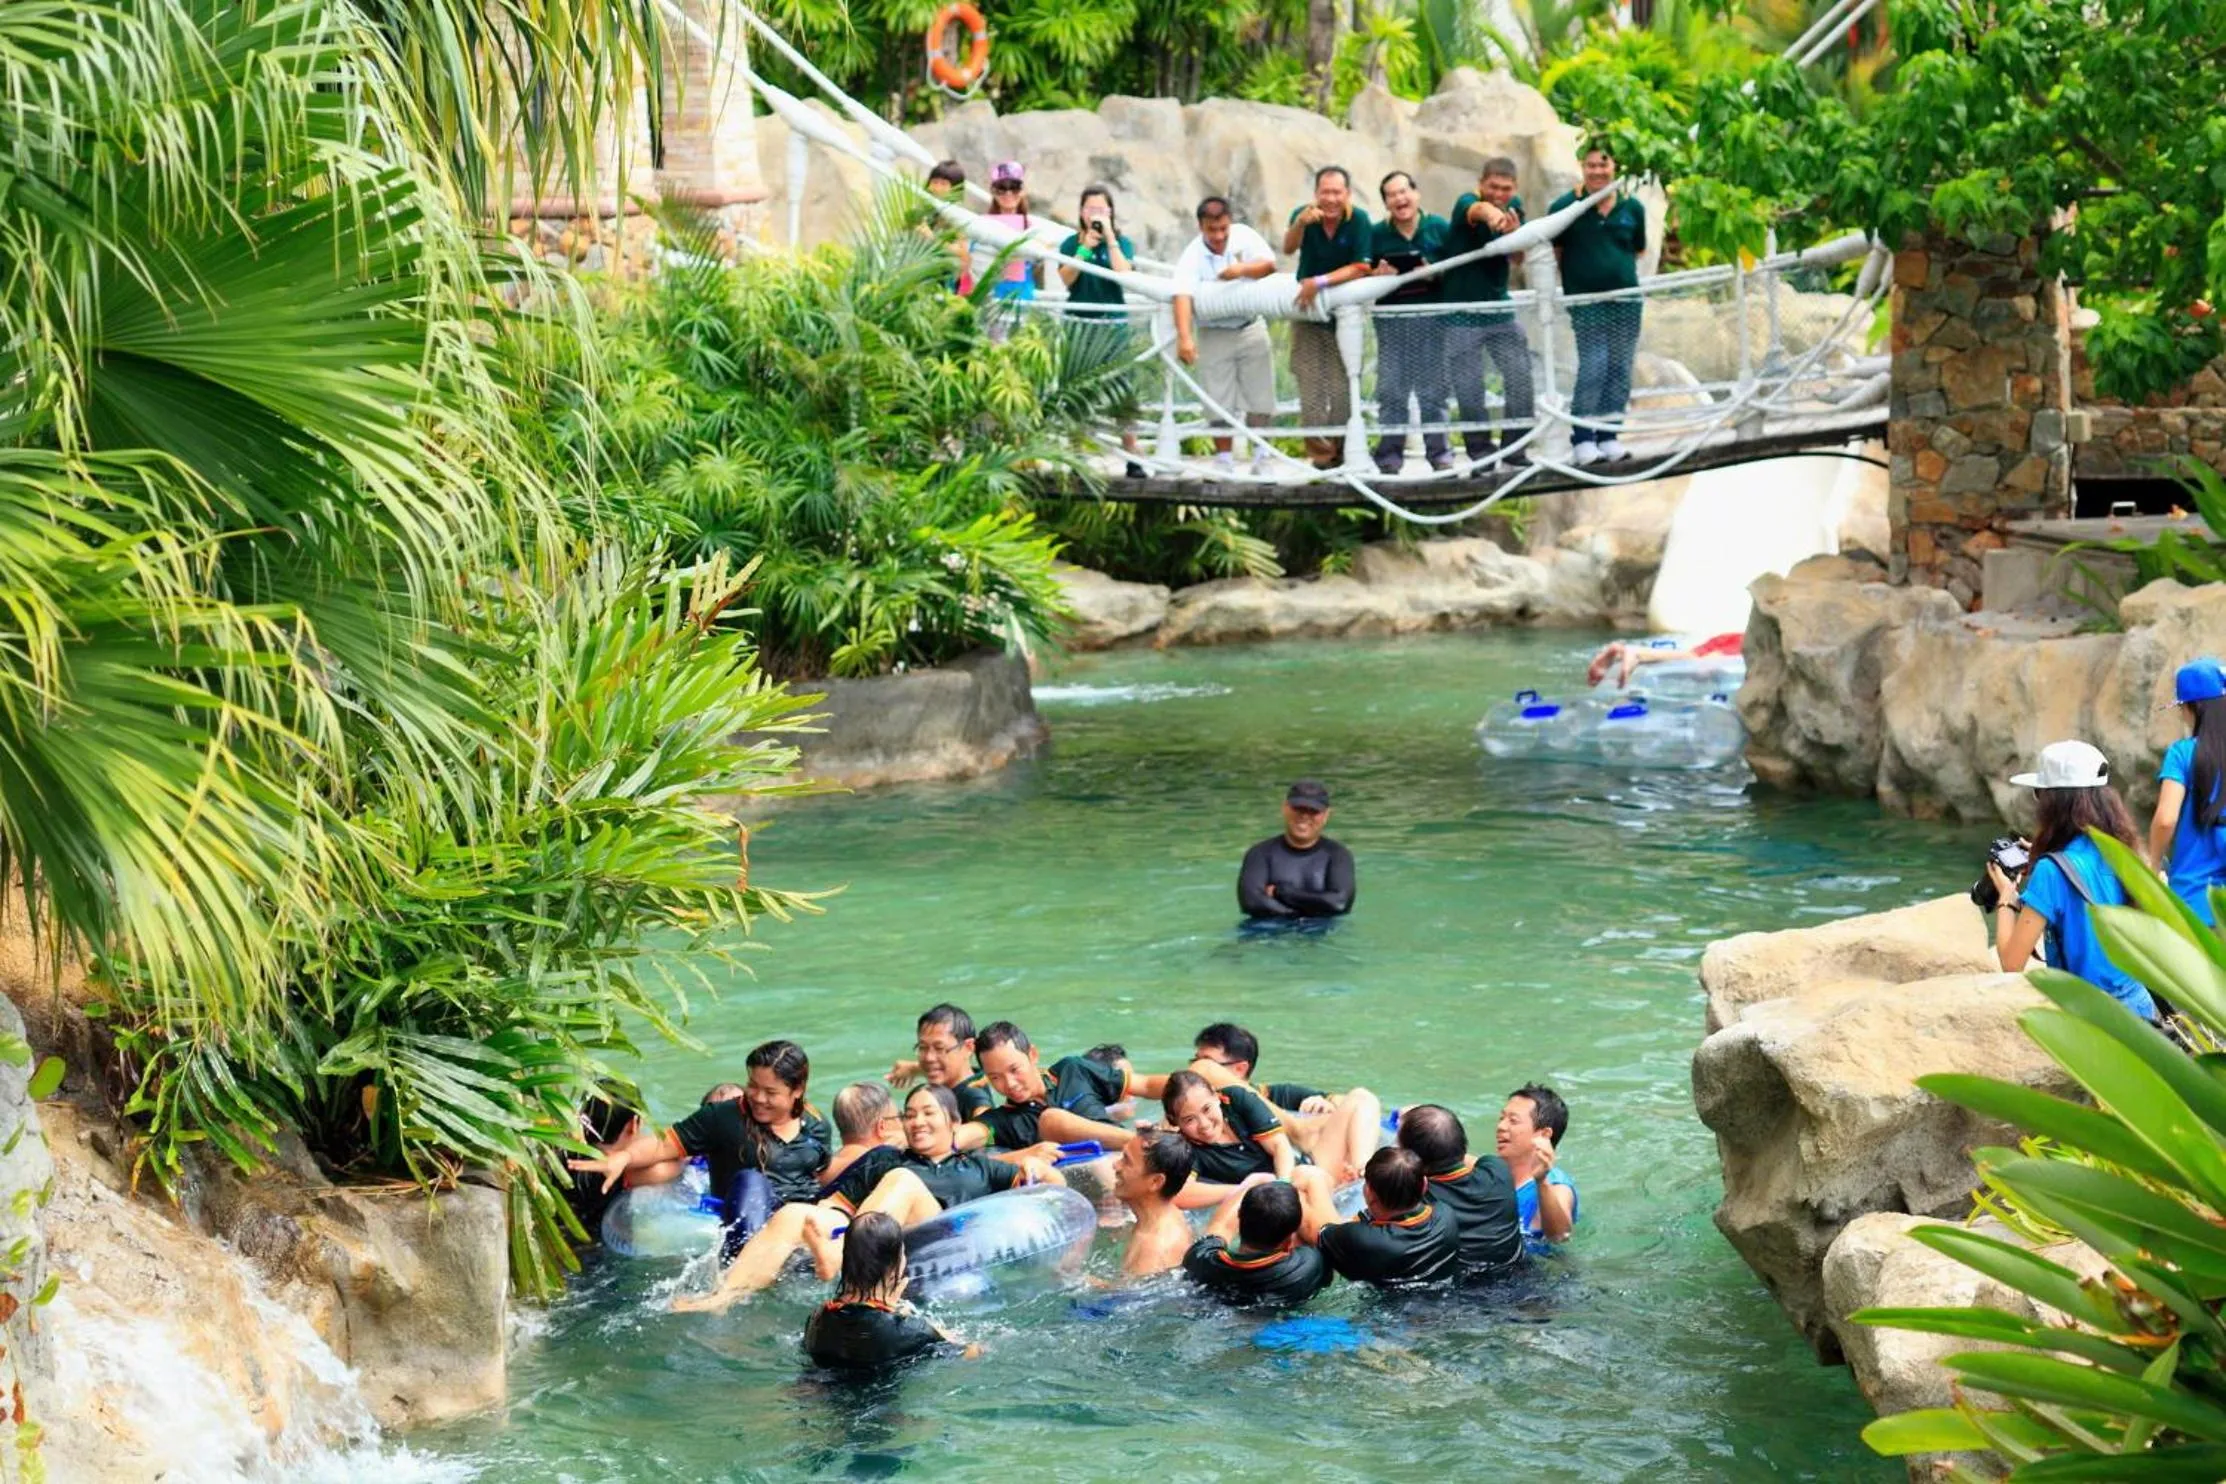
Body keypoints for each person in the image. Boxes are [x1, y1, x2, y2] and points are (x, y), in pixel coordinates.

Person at [675, 1082, 1063, 1312]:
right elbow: (831, 1206)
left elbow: (1051, 1185)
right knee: (795, 1212)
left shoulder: (980, 1167)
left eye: (928, 1112)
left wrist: (1038, 1170)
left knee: (904, 1181)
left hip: (930, 1245)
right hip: (868, 1240)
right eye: (909, 1114)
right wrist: (812, 1224)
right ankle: (724, 1297)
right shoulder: (884, 1156)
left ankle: (840, 1255)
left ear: (954, 1121)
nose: (917, 1121)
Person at [568, 1041, 832, 1261]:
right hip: (749, 1231)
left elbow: (819, 1177)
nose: (759, 1098)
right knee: (751, 1181)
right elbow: (665, 1145)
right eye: (753, 1086)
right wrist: (624, 1157)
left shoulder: (816, 1125)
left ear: (797, 1090)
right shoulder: (722, 1117)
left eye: (770, 1092)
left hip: (800, 1230)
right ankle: (744, 1274)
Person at [1989, 740, 2160, 1022]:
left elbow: (2011, 963)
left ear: (2053, 802)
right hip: (2140, 1011)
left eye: (2038, 793)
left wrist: (2007, 898)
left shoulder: (2051, 872)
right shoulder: (2125, 852)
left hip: (2094, 1020)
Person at [1147, 1023, 1380, 1182]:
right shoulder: (1186, 1131)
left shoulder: (1262, 1095)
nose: (1204, 1124)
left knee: (1362, 1096)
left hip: (1307, 1164)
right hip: (1301, 1177)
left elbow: (1340, 1099)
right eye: (1195, 1061)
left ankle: (1362, 1170)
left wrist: (1323, 1103)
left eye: (1208, 1064)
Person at [1551, 146, 1646, 467]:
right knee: (1595, 363)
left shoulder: (1631, 207)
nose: (1597, 172)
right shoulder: (1566, 207)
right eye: (1590, 166)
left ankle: (1609, 435)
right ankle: (1583, 438)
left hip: (1625, 302)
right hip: (1586, 302)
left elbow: (1637, 251)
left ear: (1614, 166)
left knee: (1619, 367)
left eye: (1603, 165)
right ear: (1581, 166)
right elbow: (1557, 251)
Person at [1172, 197, 1277, 474]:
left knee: (1261, 395)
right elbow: (1182, 294)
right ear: (1201, 227)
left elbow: (1270, 265)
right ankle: (1224, 460)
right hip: (1213, 331)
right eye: (1212, 230)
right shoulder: (1192, 254)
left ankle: (1261, 456)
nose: (1218, 237)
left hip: (1250, 326)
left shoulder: (1245, 237)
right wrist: (1185, 337)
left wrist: (1242, 270)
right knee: (1217, 399)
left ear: (1230, 223)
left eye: (1223, 230)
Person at [1440, 157, 1534, 465]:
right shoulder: (1466, 202)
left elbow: (1517, 258)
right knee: (1469, 388)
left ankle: (1514, 449)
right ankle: (1480, 455)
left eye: (1506, 188)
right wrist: (1494, 216)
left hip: (1499, 312)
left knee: (1520, 377)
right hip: (1460, 316)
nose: (1499, 193)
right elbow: (1478, 211)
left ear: (1515, 188)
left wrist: (1514, 234)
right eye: (1493, 187)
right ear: (1481, 184)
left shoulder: (1515, 206)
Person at [1281, 166, 1376, 468]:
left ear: (1347, 193)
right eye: (1326, 192)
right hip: (1308, 315)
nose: (1331, 198)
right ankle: (1320, 458)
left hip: (1344, 315)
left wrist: (1319, 282)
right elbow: (1288, 247)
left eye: (1337, 192)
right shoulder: (1305, 215)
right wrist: (1299, 224)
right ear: (1316, 194)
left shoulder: (1358, 220)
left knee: (1342, 386)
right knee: (1309, 384)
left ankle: (1343, 451)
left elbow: (1362, 266)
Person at [800, 1211, 972, 1370]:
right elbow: (970, 1353)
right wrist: (934, 1329)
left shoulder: (817, 1318)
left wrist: (892, 1310)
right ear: (894, 1265)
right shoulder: (911, 1330)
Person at [1058, 184, 1146, 478]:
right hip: (1080, 325)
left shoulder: (1122, 243)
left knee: (1124, 390)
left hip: (1113, 325)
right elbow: (1067, 279)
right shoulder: (1071, 243)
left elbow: (1124, 273)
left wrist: (1108, 239)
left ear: (1111, 213)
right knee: (1078, 388)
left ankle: (1131, 454)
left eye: (1101, 210)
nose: (1095, 215)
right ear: (1081, 212)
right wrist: (1085, 247)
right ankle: (1076, 455)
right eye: (1090, 209)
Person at [1368, 171, 1453, 475]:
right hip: (1392, 322)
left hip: (1433, 321)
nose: (1400, 199)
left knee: (1433, 391)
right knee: (1391, 391)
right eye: (1392, 195)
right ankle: (1389, 458)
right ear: (1386, 203)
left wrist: (1436, 272)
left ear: (1416, 194)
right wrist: (1376, 277)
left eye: (1404, 191)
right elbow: (1362, 270)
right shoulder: (1377, 234)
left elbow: (1460, 269)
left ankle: (1440, 455)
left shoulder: (1439, 228)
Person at [959, 1021, 1136, 1155]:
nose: (1009, 1083)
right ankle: (1143, 1143)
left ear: (1033, 1055)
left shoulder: (1071, 1073)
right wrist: (1025, 1155)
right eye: (995, 1077)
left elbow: (1147, 1085)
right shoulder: (1001, 1122)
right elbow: (967, 1135)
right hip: (1089, 1179)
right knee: (1051, 1119)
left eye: (1014, 1070)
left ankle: (1144, 1143)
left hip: (1127, 1156)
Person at [1397, 1103, 1524, 1272]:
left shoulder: (1414, 1201)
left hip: (1457, 1292)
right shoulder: (1498, 1172)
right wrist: (1436, 1129)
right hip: (1521, 1278)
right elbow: (1465, 1159)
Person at [1312, 1146, 1461, 1288]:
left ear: (1369, 1193)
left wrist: (1318, 1185)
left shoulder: (1362, 1238)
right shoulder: (1446, 1215)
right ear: (1424, 1185)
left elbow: (1321, 1234)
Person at [2149, 658, 2226, 926]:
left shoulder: (2182, 753)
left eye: (2181, 708)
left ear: (2193, 707)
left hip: (2194, 906)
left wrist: (2154, 864)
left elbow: (2166, 819)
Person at [1182, 1180, 1334, 1306]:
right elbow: (1322, 1230)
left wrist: (1255, 1179)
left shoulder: (1200, 1259)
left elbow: (1220, 1225)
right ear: (1289, 1238)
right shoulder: (1310, 1265)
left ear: (1240, 1215)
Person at [1158, 1070, 1299, 1201]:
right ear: (1174, 1121)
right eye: (1189, 1119)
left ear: (1216, 1096)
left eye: (1207, 1109)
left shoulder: (1236, 1100)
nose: (1204, 1125)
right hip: (1255, 1199)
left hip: (1290, 1174)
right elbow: (1181, 1193)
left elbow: (1279, 1146)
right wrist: (1246, 1189)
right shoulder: (1184, 1147)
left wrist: (1283, 1186)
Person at [1237, 779, 1355, 919]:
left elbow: (1340, 904)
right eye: (1298, 808)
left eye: (1313, 811)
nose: (1304, 816)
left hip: (1319, 933)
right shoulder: (1260, 854)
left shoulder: (1337, 855)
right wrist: (1299, 918)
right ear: (1285, 808)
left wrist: (1282, 893)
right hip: (1267, 932)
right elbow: (1251, 903)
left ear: (1326, 815)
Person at [1498, 1085, 1577, 1253]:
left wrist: (1541, 1181)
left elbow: (1560, 1236)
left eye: (1513, 1120)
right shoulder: (1493, 1172)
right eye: (1501, 1118)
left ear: (1543, 1135)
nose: (1501, 1126)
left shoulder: (1557, 1184)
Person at [886, 1004, 994, 1121]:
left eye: (939, 1048)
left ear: (968, 1048)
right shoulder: (975, 1076)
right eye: (923, 1047)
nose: (929, 1058)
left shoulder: (974, 1097)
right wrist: (914, 1068)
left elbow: (988, 1127)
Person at [1113, 1131, 1197, 1277]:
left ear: (1155, 1182)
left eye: (1126, 1161)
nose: (1116, 1165)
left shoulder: (1153, 1251)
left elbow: (1126, 1298)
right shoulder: (1160, 1215)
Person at [981, 160, 1043, 335]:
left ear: (1022, 191)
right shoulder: (983, 225)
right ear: (994, 191)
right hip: (991, 295)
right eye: (1002, 188)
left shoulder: (1033, 225)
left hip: (1022, 296)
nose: (1008, 193)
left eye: (1014, 187)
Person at [1585, 632, 1743, 689]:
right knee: (1705, 665)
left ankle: (1627, 654)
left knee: (1693, 658)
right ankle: (1637, 654)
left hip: (1730, 640)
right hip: (1740, 645)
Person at [825, 1082, 905, 1186]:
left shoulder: (822, 1169)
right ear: (882, 1126)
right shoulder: (887, 1169)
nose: (902, 1124)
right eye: (898, 1117)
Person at [924, 159, 973, 295]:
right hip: (921, 276)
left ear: (956, 188)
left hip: (944, 280)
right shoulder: (926, 213)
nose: (937, 188)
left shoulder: (958, 217)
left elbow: (963, 254)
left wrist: (931, 238)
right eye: (935, 182)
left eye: (944, 184)